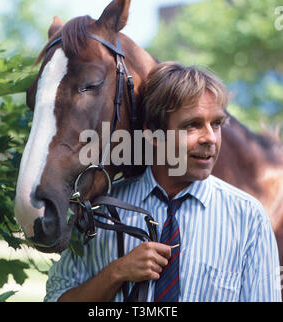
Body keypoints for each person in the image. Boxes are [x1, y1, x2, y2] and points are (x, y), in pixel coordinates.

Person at [44, 62, 282, 302]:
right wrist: (116, 272)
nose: (210, 138)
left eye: (216, 124)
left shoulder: (248, 218)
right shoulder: (100, 212)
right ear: (153, 134)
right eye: (193, 125)